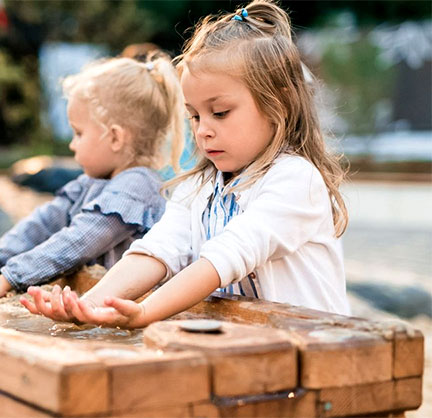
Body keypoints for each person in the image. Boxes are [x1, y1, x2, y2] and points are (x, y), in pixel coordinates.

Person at [22, 0, 351, 327]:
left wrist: (147, 311)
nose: (203, 129)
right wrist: (89, 305)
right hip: (254, 350)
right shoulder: (200, 187)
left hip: (319, 355)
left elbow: (226, 256)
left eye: (219, 112)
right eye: (193, 115)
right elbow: (157, 249)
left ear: (277, 102)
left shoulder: (295, 179)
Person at [0, 55, 186, 304]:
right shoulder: (93, 182)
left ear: (115, 138)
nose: (72, 144)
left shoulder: (137, 188)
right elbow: (43, 223)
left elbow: (78, 241)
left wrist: (8, 279)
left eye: (78, 133)